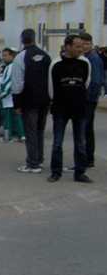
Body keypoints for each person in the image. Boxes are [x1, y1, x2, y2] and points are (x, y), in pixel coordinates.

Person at [48, 34, 93, 184]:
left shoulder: (85, 63)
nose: (81, 49)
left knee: (80, 142)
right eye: (77, 46)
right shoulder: (56, 64)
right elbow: (51, 88)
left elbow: (86, 83)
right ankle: (56, 172)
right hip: (60, 108)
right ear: (68, 47)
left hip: (79, 108)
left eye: (82, 46)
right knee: (57, 142)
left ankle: (80, 172)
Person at [11, 28, 52, 174]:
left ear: (22, 40)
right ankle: (39, 159)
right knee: (40, 131)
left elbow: (17, 84)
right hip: (44, 100)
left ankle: (33, 163)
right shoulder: (46, 56)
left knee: (30, 132)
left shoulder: (20, 57)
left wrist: (17, 104)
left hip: (29, 101)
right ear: (35, 38)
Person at [80, 33, 103, 169]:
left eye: (87, 44)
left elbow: (95, 81)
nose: (84, 46)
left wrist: (87, 97)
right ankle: (89, 158)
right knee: (88, 129)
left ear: (91, 44)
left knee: (84, 128)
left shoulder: (93, 58)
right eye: (82, 44)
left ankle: (85, 158)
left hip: (89, 99)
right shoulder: (86, 57)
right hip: (89, 98)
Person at [0, 48, 24, 143]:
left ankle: (8, 137)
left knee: (7, 119)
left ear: (11, 56)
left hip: (8, 98)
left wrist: (2, 94)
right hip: (12, 98)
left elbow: (8, 82)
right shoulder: (12, 66)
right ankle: (21, 135)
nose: (3, 57)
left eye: (6, 55)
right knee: (16, 118)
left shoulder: (10, 67)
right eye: (3, 55)